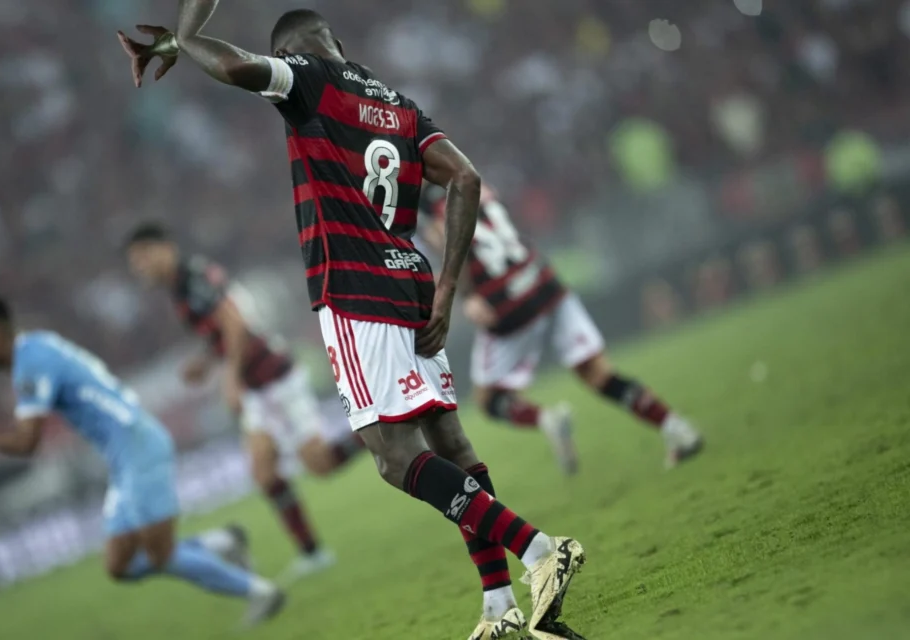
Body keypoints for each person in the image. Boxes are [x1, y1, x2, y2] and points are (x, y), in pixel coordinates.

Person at [118, 7, 585, 639]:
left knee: (396, 460)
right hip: (415, 285)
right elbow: (467, 179)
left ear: (293, 50)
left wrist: (188, 37)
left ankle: (537, 551)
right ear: (337, 41)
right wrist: (447, 288)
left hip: (355, 291)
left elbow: (232, 66)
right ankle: (499, 607)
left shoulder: (307, 79)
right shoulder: (399, 105)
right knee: (450, 443)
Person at [0, 294, 284, 627]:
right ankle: (223, 542)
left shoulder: (30, 363)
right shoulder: (38, 345)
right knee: (120, 565)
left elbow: (27, 442)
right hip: (126, 455)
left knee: (160, 555)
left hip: (137, 447)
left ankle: (261, 592)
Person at [125, 222, 365, 581]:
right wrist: (206, 361)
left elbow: (234, 322)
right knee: (264, 472)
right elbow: (221, 331)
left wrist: (231, 376)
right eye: (134, 262)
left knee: (320, 464)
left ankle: (384, 429)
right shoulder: (179, 288)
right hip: (257, 387)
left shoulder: (193, 277)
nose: (139, 267)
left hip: (273, 377)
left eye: (142, 257)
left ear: (164, 248)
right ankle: (313, 553)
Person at [420, 184, 704, 472]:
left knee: (489, 399)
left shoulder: (431, 208)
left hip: (505, 301)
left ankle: (547, 419)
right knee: (598, 372)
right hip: (542, 280)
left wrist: (468, 295)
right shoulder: (473, 181)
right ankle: (677, 428)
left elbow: (449, 241)